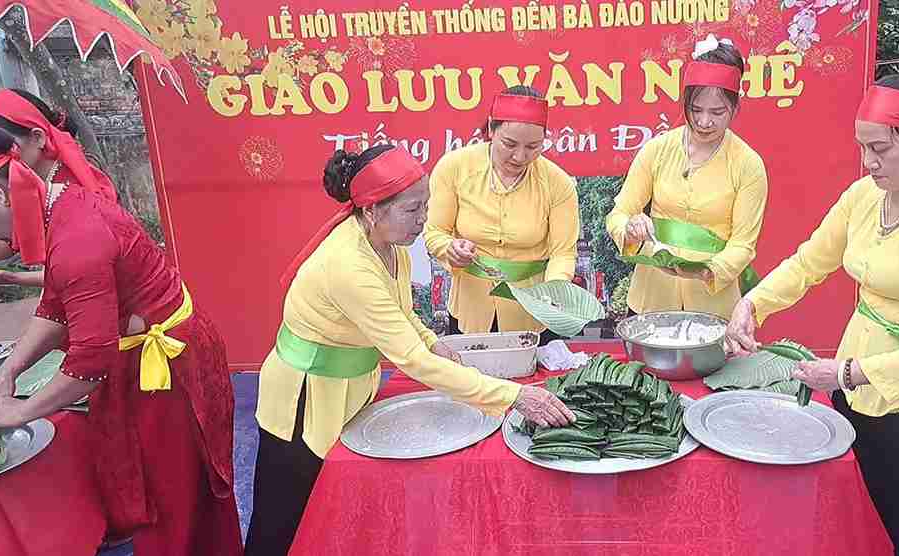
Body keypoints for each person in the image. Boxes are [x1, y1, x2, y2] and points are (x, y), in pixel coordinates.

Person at [246, 144, 574, 555]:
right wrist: (514, 396)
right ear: (371, 210)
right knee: (282, 521)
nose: (423, 221)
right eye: (412, 210)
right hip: (303, 399)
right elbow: (412, 361)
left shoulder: (389, 244)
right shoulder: (348, 265)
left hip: (350, 386)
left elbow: (400, 313)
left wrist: (434, 340)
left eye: (426, 207)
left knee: (331, 515)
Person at [724, 74, 899, 555]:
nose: (869, 162)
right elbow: (808, 262)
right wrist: (752, 302)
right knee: (855, 504)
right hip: (856, 376)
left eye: (881, 149)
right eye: (863, 148)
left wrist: (847, 372)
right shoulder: (864, 197)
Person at [0, 127, 242, 555]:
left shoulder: (78, 238)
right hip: (142, 355)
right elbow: (56, 306)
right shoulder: (59, 202)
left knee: (170, 498)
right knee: (162, 491)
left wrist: (21, 411)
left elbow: (89, 361)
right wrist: (8, 373)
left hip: (166, 371)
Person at [605, 34, 767, 319]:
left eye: (718, 112)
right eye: (696, 110)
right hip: (650, 301)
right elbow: (619, 214)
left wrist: (710, 271)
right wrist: (629, 229)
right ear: (685, 103)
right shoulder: (657, 150)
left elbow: (744, 243)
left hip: (713, 305)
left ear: (735, 107)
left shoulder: (748, 164)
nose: (705, 122)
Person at [423, 85, 580, 345]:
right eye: (509, 144)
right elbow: (435, 232)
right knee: (472, 379)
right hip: (470, 307)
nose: (520, 156)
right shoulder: (453, 168)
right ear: (491, 130)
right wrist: (450, 248)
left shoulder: (557, 183)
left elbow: (563, 251)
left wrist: (555, 288)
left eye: (533, 146)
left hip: (531, 311)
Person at [0, 88, 120, 288]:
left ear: (37, 137)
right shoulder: (39, 186)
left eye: (4, 144)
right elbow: (25, 232)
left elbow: (81, 276)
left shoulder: (72, 193)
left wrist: (10, 278)